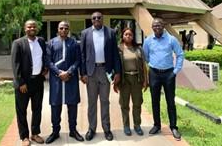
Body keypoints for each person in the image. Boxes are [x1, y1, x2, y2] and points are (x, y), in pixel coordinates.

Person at [80, 11, 121, 141]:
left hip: (106, 71)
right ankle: (91, 128)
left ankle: (106, 128)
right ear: (91, 20)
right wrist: (83, 73)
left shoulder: (110, 32)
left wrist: (118, 72)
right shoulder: (85, 33)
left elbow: (115, 53)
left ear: (102, 19)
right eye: (94, 18)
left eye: (99, 17)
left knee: (105, 101)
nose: (97, 19)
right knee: (92, 102)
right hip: (91, 72)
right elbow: (82, 55)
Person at [143, 18, 184, 141]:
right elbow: (145, 55)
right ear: (152, 27)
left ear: (163, 26)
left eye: (159, 25)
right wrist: (153, 65)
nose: (157, 27)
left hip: (169, 74)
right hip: (154, 73)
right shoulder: (148, 40)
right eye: (154, 26)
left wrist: (175, 71)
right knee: (155, 101)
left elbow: (180, 55)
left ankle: (173, 127)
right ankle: (157, 125)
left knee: (170, 101)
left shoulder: (171, 39)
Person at [45, 21, 84, 144]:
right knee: (55, 106)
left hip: (70, 79)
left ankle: (73, 130)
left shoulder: (74, 43)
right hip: (56, 79)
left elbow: (78, 60)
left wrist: (69, 72)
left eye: (66, 28)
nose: (63, 30)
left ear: (69, 30)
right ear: (57, 29)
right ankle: (55, 132)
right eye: (61, 28)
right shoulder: (51, 43)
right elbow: (48, 61)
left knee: (72, 105)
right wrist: (59, 73)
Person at [11, 19, 47, 146]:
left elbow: (43, 57)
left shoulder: (41, 41)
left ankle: (35, 133)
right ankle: (24, 136)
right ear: (25, 28)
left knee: (37, 109)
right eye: (29, 27)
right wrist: (21, 82)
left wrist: (45, 69)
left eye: (33, 26)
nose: (32, 28)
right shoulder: (18, 43)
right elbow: (15, 65)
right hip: (24, 84)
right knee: (22, 110)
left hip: (38, 81)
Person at [115, 28, 148, 136]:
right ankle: (126, 126)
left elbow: (144, 65)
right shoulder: (119, 49)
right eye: (126, 34)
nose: (128, 36)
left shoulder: (138, 49)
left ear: (133, 37)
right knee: (124, 104)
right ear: (122, 36)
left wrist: (145, 80)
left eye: (130, 35)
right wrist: (115, 82)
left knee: (137, 103)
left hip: (137, 79)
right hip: (124, 80)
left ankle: (137, 125)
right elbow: (115, 66)